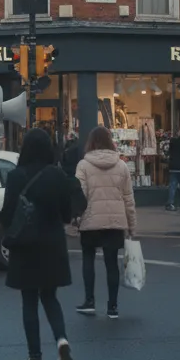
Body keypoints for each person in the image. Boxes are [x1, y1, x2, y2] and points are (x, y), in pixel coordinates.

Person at [0, 128, 83, 360]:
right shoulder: (56, 175)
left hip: (25, 246)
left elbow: (8, 212)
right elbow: (67, 215)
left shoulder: (16, 176)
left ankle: (35, 358)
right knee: (50, 297)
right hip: (52, 244)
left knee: (29, 300)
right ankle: (62, 339)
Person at [74, 126, 137, 319]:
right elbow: (128, 198)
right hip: (115, 221)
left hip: (91, 219)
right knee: (111, 264)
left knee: (88, 259)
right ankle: (113, 306)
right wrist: (132, 226)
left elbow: (80, 196)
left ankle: (90, 301)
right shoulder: (121, 165)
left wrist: (76, 219)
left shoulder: (83, 165)